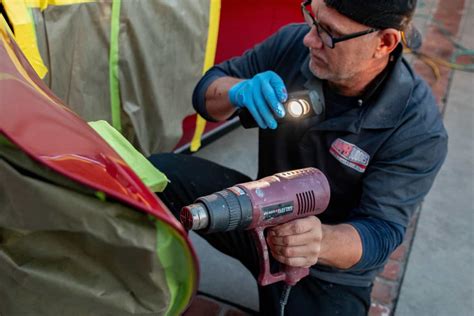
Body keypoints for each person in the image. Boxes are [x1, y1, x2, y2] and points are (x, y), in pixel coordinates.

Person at [149, 0, 448, 314]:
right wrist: (238, 90)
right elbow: (206, 95)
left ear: (384, 42)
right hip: (259, 214)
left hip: (326, 269)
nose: (310, 39)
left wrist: (318, 241)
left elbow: (381, 233)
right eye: (313, 18)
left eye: (330, 32)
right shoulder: (292, 45)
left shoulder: (417, 130)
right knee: (156, 176)